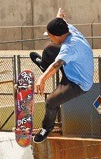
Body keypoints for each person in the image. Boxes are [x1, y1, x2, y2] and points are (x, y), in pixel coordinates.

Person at [30, 8, 94, 143]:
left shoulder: (69, 47)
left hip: (77, 83)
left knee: (50, 103)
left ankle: (46, 129)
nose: (49, 37)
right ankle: (43, 66)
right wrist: (58, 17)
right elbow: (62, 23)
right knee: (49, 48)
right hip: (73, 67)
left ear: (57, 35)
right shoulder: (69, 29)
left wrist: (42, 79)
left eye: (50, 35)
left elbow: (57, 65)